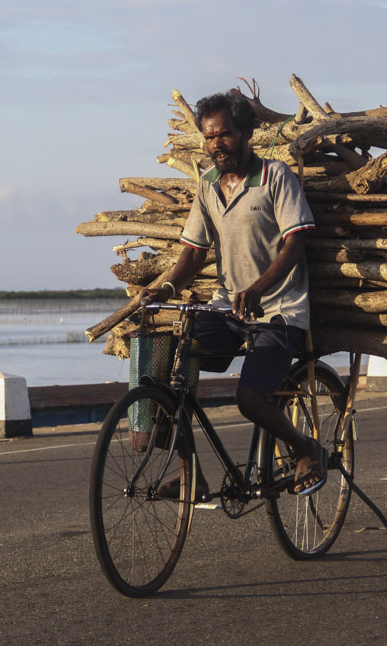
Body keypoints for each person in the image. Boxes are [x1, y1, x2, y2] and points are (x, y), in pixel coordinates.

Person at [141, 90, 327, 497]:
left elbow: (295, 244)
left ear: (245, 133)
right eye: (209, 137)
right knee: (172, 358)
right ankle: (193, 474)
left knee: (248, 398)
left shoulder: (276, 177)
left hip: (279, 311)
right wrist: (166, 288)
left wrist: (259, 289)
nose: (215, 145)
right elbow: (193, 252)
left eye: (223, 135)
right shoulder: (208, 185)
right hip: (229, 309)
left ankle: (306, 448)